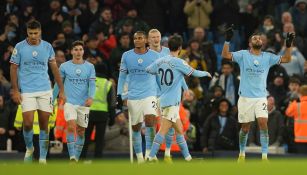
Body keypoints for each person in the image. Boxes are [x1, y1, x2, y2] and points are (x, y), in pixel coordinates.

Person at [221, 25, 294, 161]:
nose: (258, 39)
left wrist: (288, 45)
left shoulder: (268, 57)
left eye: (259, 38)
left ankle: (264, 157)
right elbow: (225, 55)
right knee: (245, 128)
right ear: (250, 44)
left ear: (262, 43)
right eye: (255, 38)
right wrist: (227, 40)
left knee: (263, 123)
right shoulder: (243, 54)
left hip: (261, 97)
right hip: (245, 98)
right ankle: (242, 154)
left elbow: (287, 59)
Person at [146, 34, 211, 162]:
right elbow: (195, 72)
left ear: (168, 47)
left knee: (180, 131)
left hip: (163, 100)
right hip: (171, 103)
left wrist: (160, 83)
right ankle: (150, 157)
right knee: (163, 131)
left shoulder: (160, 61)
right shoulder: (179, 62)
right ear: (180, 48)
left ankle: (188, 159)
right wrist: (206, 73)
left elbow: (148, 69)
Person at [10, 20, 65, 164]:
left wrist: (62, 90)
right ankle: (30, 149)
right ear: (27, 32)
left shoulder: (47, 47)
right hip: (27, 90)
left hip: (45, 90)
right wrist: (15, 90)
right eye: (30, 33)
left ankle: (42, 158)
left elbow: (54, 69)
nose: (33, 36)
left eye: (35, 33)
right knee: (27, 123)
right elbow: (13, 68)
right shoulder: (19, 47)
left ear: (40, 32)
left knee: (44, 124)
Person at [117, 31, 160, 163]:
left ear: (146, 40)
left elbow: (159, 77)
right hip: (133, 96)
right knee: (136, 127)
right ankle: (140, 158)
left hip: (150, 94)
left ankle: (149, 155)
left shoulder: (155, 56)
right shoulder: (126, 56)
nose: (137, 40)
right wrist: (119, 94)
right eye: (135, 38)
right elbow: (122, 77)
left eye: (140, 38)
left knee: (150, 121)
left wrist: (162, 94)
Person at [148, 29, 188, 163]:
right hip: (152, 94)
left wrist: (185, 88)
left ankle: (167, 154)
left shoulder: (167, 52)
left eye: (157, 36)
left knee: (170, 124)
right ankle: (150, 154)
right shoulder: (146, 54)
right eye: (152, 37)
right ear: (148, 39)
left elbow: (178, 73)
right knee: (153, 124)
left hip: (168, 94)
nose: (155, 39)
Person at [53, 41, 96, 162]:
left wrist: (91, 97)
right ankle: (72, 156)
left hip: (83, 104)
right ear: (71, 51)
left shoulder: (90, 67)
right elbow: (58, 84)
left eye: (80, 49)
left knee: (81, 132)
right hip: (69, 102)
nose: (78, 52)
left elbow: (92, 84)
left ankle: (76, 158)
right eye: (75, 49)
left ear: (83, 51)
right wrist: (52, 99)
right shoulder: (64, 66)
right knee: (71, 127)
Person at [285, 85, 307, 154]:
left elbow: (288, 113)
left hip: (300, 138)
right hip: (300, 138)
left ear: (300, 94)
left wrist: (293, 103)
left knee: (302, 161)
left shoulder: (296, 105)